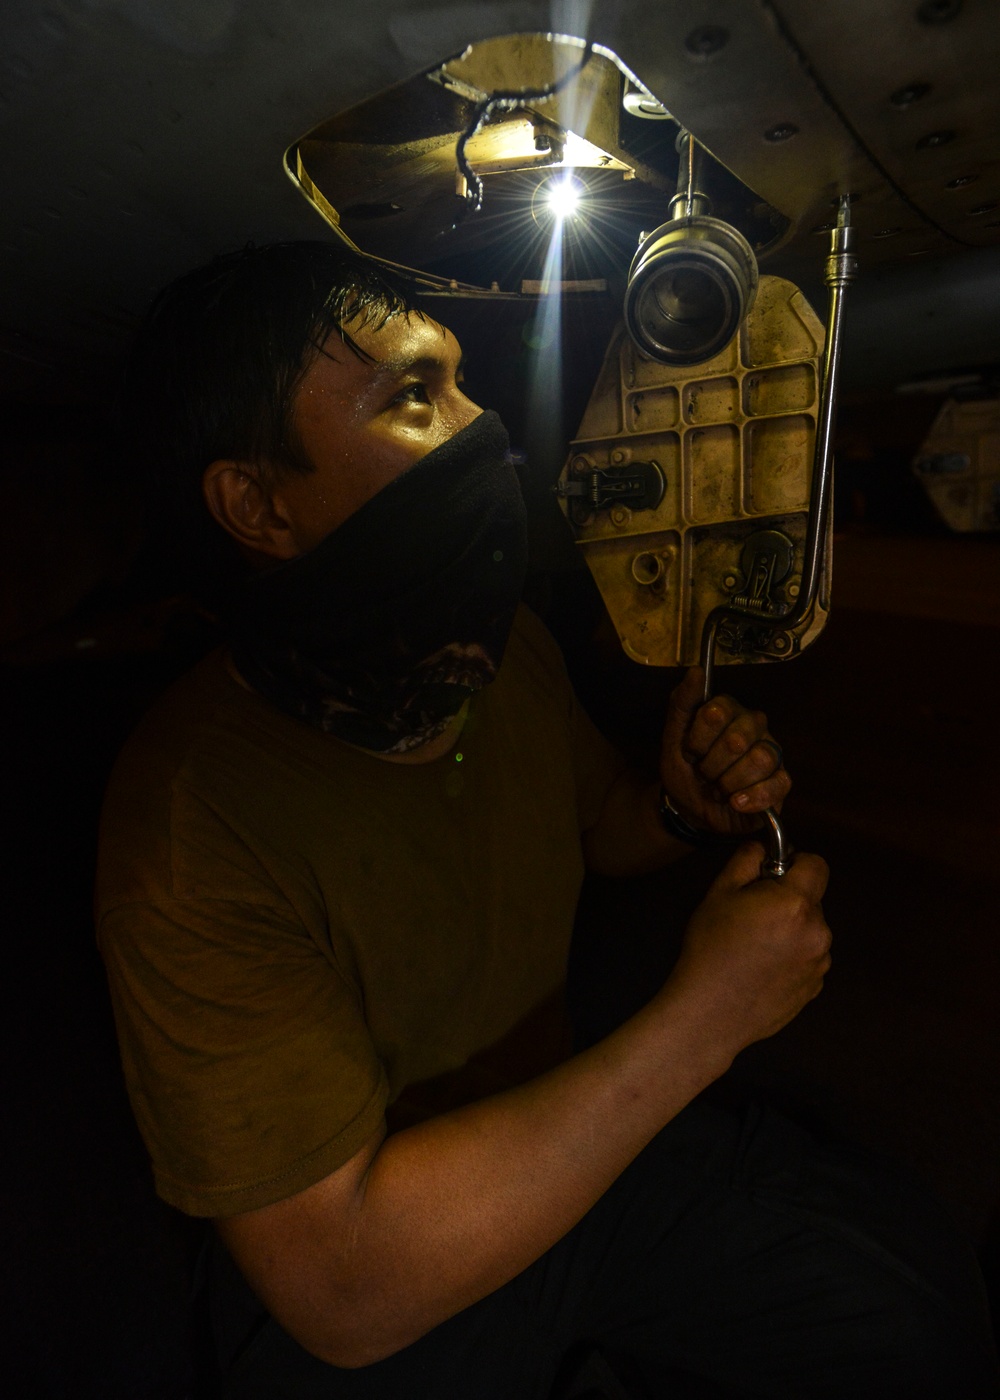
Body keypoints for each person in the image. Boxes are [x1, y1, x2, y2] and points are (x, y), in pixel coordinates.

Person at [96, 241, 998, 1399]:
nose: (482, 432)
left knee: (904, 1304)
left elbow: (596, 829)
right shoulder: (190, 823)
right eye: (414, 398)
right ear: (259, 504)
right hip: (390, 1254)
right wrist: (702, 1022)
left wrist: (674, 801)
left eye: (462, 381)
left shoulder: (493, 651)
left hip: (567, 1139)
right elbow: (341, 1287)